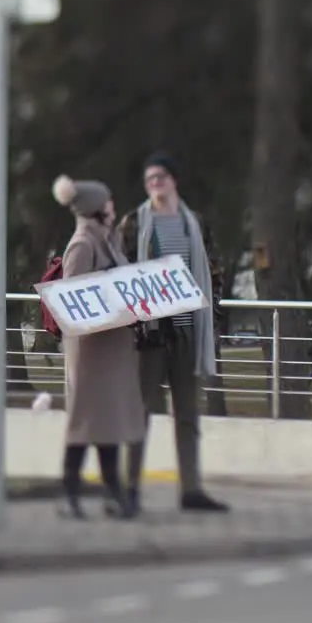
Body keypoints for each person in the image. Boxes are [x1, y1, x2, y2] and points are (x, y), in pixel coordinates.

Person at [117, 153, 229, 514]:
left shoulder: (194, 224)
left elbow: (213, 273)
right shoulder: (134, 224)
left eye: (161, 176)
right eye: (149, 178)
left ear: (174, 180)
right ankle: (130, 488)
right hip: (149, 334)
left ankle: (192, 489)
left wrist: (214, 318)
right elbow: (119, 272)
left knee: (187, 414)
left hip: (187, 331)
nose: (155, 182)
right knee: (141, 411)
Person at [51, 175, 145, 520]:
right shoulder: (82, 245)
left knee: (107, 422)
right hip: (91, 352)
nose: (113, 207)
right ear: (95, 208)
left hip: (112, 349)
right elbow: (74, 299)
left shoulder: (109, 240)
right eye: (107, 202)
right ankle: (71, 492)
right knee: (85, 424)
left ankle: (112, 492)